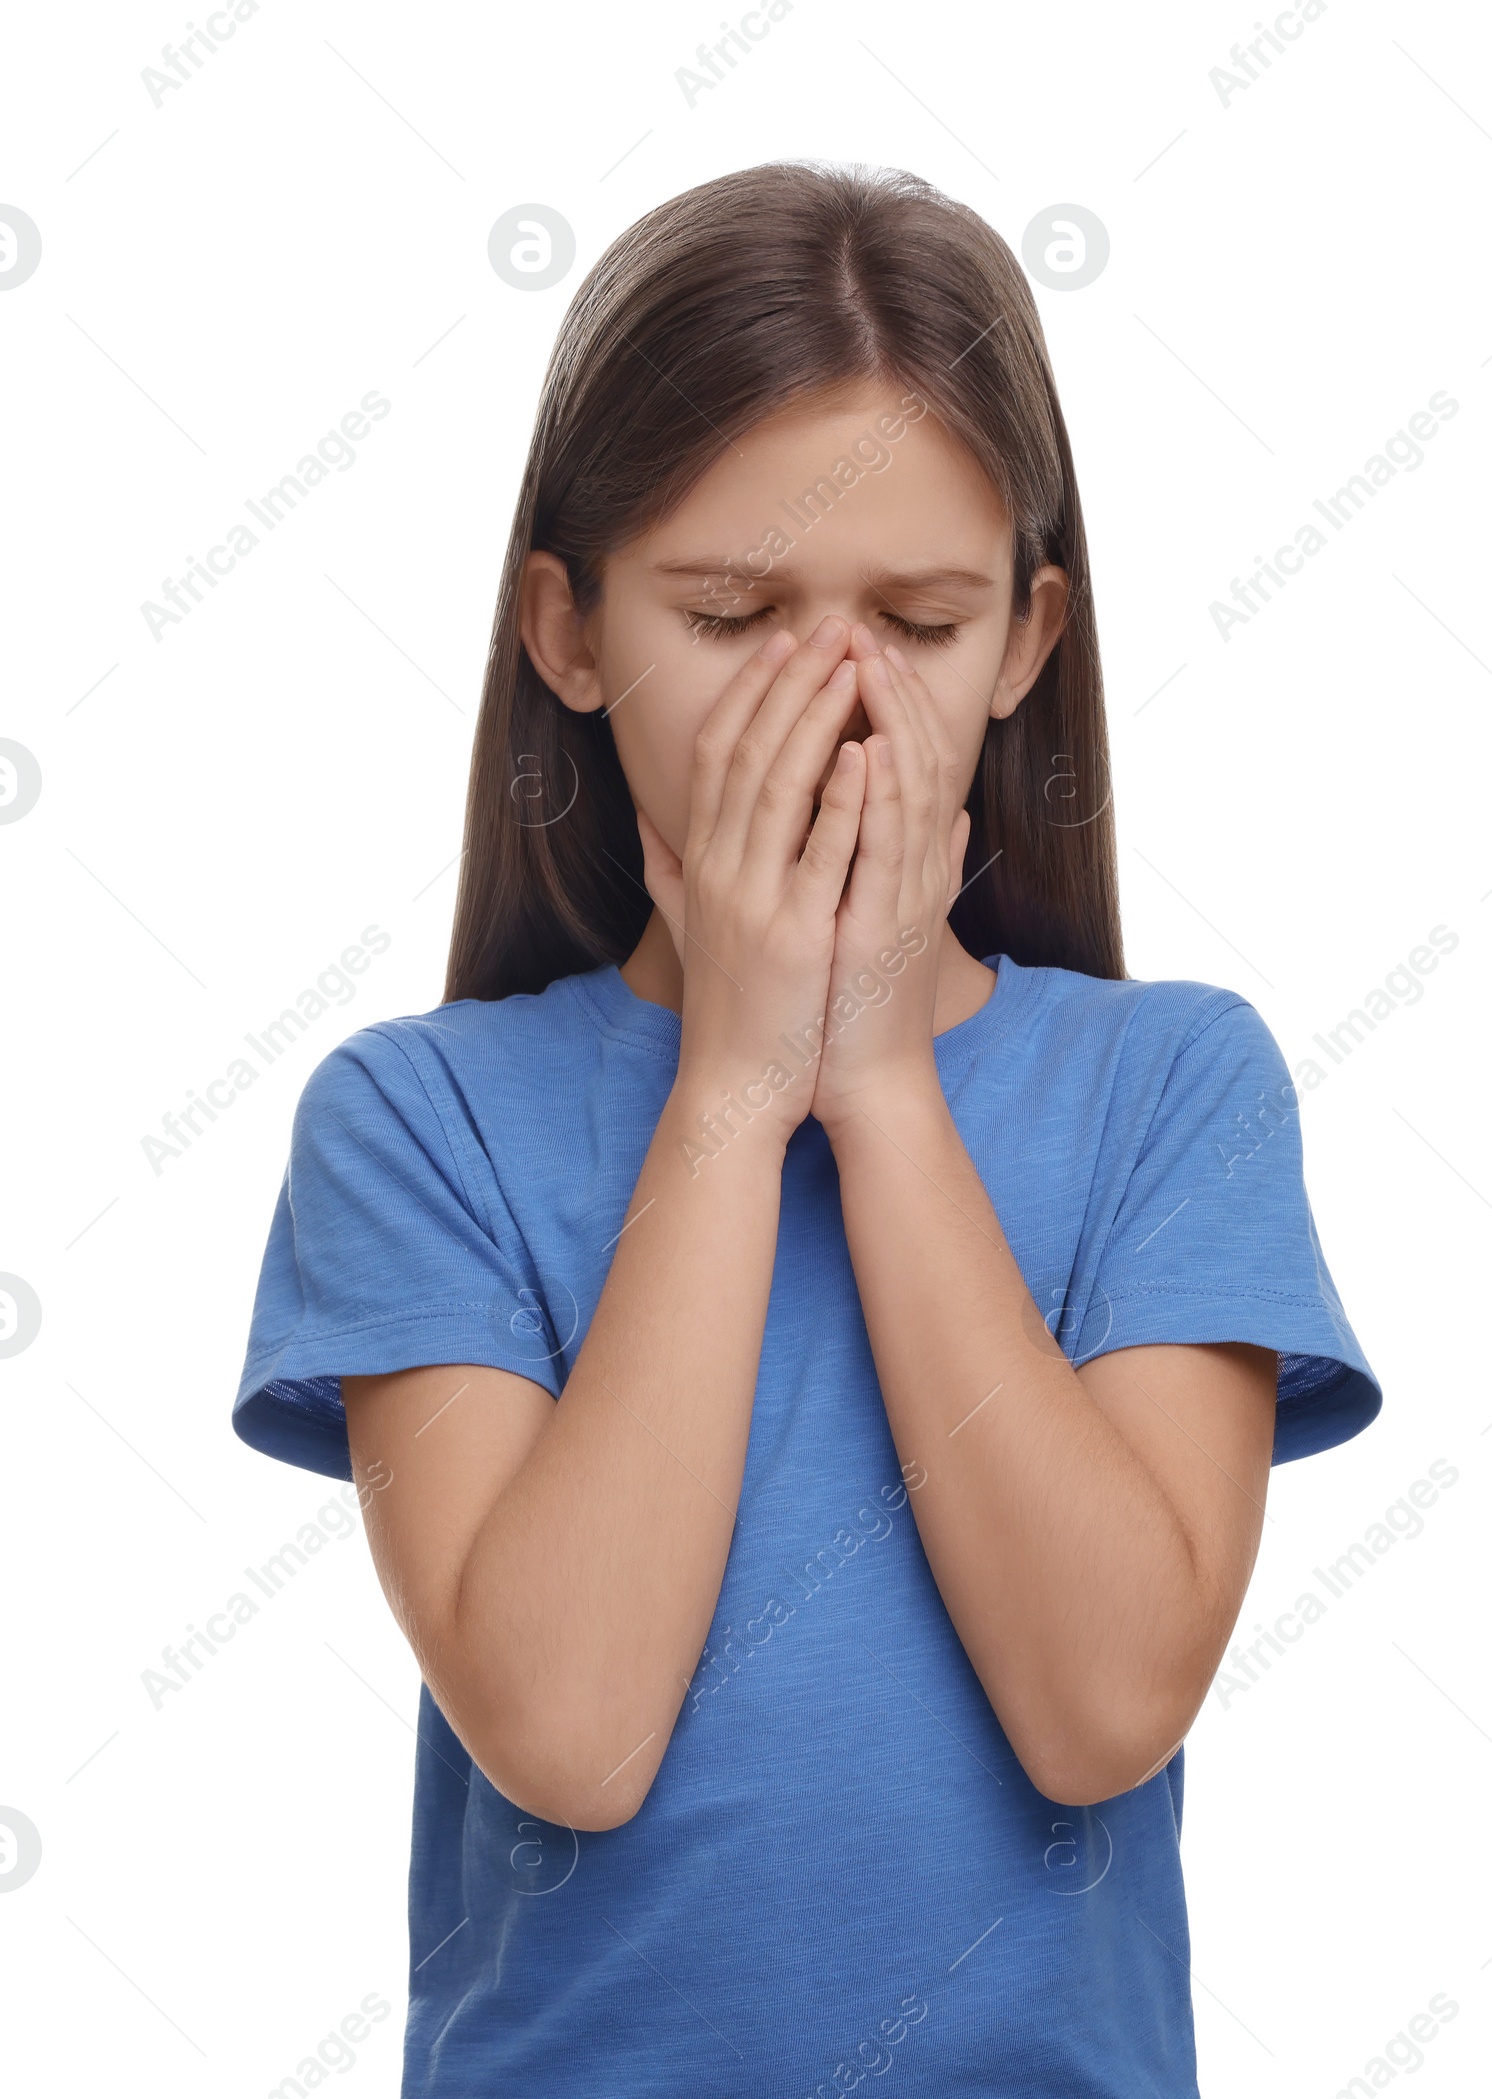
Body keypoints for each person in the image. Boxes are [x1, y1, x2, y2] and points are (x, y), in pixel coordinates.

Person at [232, 160, 1380, 2096]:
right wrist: (740, 1082)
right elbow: (571, 1728)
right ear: (570, 634)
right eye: (734, 612)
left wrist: (872, 1079)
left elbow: (1100, 1709)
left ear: (1020, 648)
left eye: (913, 625)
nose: (833, 708)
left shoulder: (1169, 1090)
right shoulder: (417, 1123)